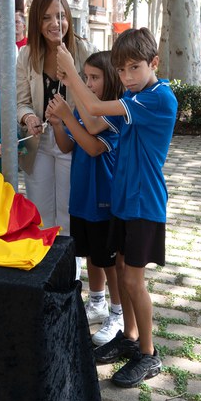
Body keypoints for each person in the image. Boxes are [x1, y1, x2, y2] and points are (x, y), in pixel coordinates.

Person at [55, 28, 176, 389]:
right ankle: (129, 336)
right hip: (123, 202)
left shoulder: (157, 98)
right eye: (121, 71)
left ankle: (148, 354)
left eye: (134, 68)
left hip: (143, 204)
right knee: (122, 271)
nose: (126, 77)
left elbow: (92, 108)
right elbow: (92, 122)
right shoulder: (133, 95)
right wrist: (71, 86)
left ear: (154, 63)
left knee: (133, 281)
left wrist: (70, 70)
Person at [46, 51, 123, 346]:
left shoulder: (110, 113)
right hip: (81, 197)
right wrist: (56, 123)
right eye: (85, 77)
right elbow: (68, 145)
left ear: (111, 78)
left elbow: (92, 147)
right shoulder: (80, 108)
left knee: (109, 260)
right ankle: (98, 301)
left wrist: (68, 114)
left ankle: (118, 313)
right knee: (90, 254)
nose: (88, 84)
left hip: (103, 198)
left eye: (94, 78)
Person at [16, 0, 93, 234]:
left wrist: (70, 71)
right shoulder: (26, 54)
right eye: (47, 17)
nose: (55, 23)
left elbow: (93, 97)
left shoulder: (83, 51)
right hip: (36, 140)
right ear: (36, 22)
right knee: (40, 210)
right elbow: (21, 102)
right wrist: (28, 117)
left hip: (73, 138)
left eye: (60, 15)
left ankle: (71, 267)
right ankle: (45, 263)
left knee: (69, 209)